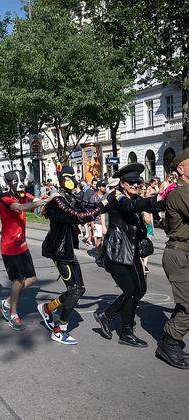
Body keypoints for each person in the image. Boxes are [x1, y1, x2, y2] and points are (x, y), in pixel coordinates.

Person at [38, 163, 110, 345]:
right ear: (62, 180)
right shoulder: (57, 200)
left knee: (79, 289)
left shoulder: (66, 196)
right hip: (60, 251)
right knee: (75, 290)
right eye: (68, 177)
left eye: (72, 177)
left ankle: (47, 308)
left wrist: (101, 202)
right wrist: (102, 206)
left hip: (67, 250)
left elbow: (84, 207)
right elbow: (78, 215)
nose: (71, 181)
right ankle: (59, 329)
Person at [94, 163, 164, 347]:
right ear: (123, 183)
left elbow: (138, 218)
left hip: (130, 251)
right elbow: (129, 207)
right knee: (131, 291)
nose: (136, 185)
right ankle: (126, 332)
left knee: (140, 289)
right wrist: (154, 200)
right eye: (132, 182)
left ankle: (106, 315)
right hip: (116, 252)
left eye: (139, 182)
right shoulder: (116, 197)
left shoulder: (133, 197)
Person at [0, 170, 55, 331]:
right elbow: (22, 207)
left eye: (21, 180)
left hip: (22, 245)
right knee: (18, 281)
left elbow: (36, 200)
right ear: (9, 184)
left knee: (32, 279)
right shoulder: (5, 198)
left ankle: (7, 303)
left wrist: (51, 199)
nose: (20, 183)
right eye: (15, 181)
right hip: (9, 247)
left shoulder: (22, 194)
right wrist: (43, 201)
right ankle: (13, 314)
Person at [155, 149, 189, 369]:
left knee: (185, 303)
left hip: (184, 253)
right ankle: (169, 343)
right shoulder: (179, 192)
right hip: (179, 254)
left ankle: (171, 339)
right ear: (181, 169)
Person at [89, 180, 107, 266]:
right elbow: (91, 211)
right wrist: (92, 223)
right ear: (99, 187)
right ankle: (98, 256)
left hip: (106, 221)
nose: (105, 187)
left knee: (105, 239)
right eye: (103, 186)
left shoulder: (106, 196)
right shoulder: (94, 198)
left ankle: (104, 255)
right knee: (99, 239)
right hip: (97, 221)